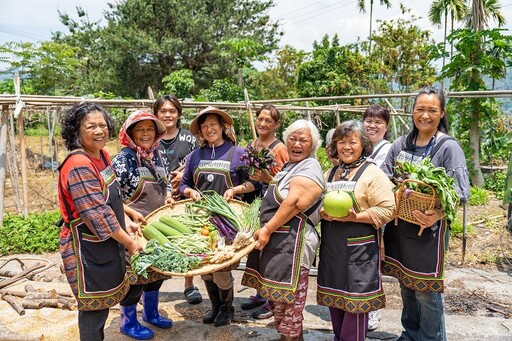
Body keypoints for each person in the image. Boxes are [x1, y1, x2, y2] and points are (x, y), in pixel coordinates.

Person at [381, 87, 470, 341]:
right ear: (412, 111)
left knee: (426, 291)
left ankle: (431, 338)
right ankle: (410, 334)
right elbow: (385, 177)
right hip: (400, 228)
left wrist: (437, 213)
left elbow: (461, 191)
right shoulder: (400, 144)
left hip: (429, 232)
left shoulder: (448, 147)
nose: (425, 115)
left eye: (432, 110)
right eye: (420, 109)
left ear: (442, 113)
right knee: (405, 285)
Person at [57, 102, 143, 340]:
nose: (98, 131)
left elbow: (110, 196)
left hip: (103, 242)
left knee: (103, 304)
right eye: (90, 126)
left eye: (102, 125)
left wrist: (126, 216)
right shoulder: (78, 165)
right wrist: (131, 243)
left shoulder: (102, 155)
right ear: (76, 131)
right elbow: (97, 214)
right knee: (93, 309)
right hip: (85, 247)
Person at [242, 119, 326, 341]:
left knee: (291, 309)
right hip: (278, 245)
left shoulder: (311, 166)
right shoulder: (289, 166)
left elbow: (295, 202)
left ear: (313, 145)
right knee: (278, 304)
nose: (297, 143)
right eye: (293, 138)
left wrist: (267, 228)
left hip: (294, 246)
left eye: (303, 140)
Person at [317, 120, 395, 341]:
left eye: (352, 142)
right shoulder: (330, 173)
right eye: (341, 142)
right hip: (333, 250)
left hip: (359, 251)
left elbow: (388, 209)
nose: (346, 147)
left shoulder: (373, 174)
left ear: (363, 145)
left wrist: (356, 216)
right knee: (335, 302)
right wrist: (322, 212)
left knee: (356, 306)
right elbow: (317, 201)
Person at [179, 106, 254, 327]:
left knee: (221, 270)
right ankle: (215, 306)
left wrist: (236, 190)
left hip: (228, 221)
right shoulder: (195, 156)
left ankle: (227, 308)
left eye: (213, 124)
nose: (209, 129)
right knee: (206, 269)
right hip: (201, 219)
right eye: (204, 126)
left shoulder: (239, 153)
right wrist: (190, 192)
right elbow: (184, 184)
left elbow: (254, 183)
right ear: (200, 131)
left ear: (222, 126)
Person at [112, 110, 174, 339]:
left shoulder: (157, 155)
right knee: (135, 278)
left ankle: (151, 313)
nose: (146, 134)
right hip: (133, 229)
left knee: (155, 274)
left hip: (156, 227)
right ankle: (128, 322)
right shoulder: (123, 159)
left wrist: (168, 195)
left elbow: (165, 183)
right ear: (130, 133)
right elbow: (111, 196)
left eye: (150, 129)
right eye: (140, 129)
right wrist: (130, 212)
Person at [240, 104, 289, 320]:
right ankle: (260, 294)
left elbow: (287, 180)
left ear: (276, 124)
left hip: (272, 205)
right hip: (253, 202)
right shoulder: (250, 145)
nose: (262, 123)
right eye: (260, 119)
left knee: (269, 251)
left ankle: (272, 301)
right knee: (255, 249)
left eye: (268, 120)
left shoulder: (280, 149)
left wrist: (267, 179)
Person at [153, 94, 203, 305]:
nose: (167, 115)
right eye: (163, 111)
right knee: (156, 239)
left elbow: (198, 161)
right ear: (155, 114)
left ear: (179, 114)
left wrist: (183, 174)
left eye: (172, 111)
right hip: (156, 197)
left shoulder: (189, 139)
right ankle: (151, 287)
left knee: (187, 237)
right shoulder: (150, 138)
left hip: (184, 194)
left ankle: (188, 284)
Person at [362, 104, 392, 331]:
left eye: (378, 122)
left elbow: (374, 176)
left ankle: (373, 311)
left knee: (374, 261)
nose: (372, 125)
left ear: (386, 126)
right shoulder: (361, 146)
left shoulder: (386, 149)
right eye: (369, 120)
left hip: (376, 213)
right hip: (359, 212)